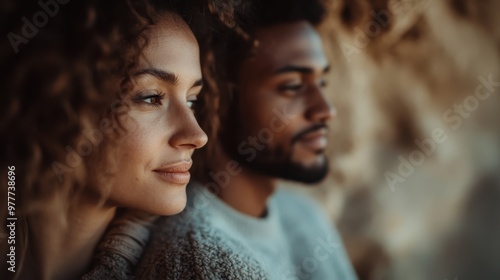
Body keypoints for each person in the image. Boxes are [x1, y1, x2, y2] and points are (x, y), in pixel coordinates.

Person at [0, 0, 237, 278]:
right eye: (151, 97)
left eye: (192, 100)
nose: (197, 136)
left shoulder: (199, 266)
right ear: (54, 101)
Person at [136, 0, 359, 279]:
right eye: (292, 86)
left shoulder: (302, 215)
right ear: (219, 98)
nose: (326, 110)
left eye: (321, 83)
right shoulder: (205, 259)